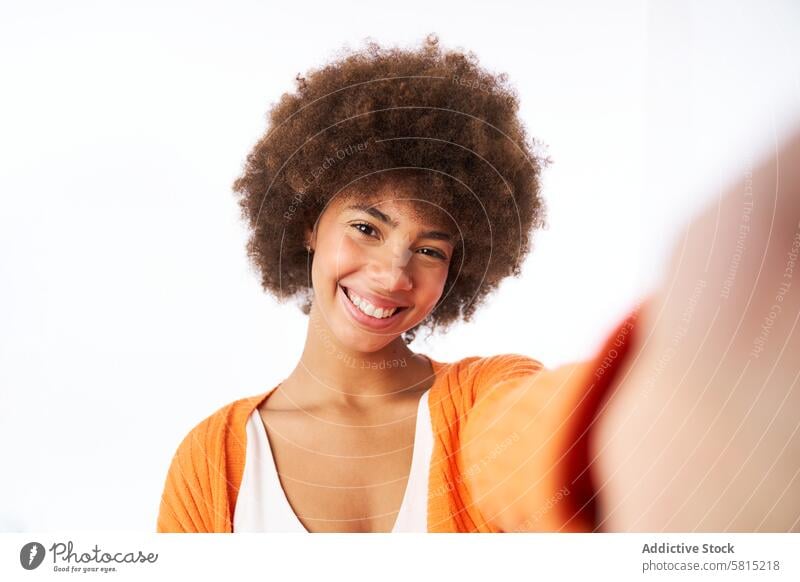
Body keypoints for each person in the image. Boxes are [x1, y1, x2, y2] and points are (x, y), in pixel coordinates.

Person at [157, 34, 800, 533]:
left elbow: (531, 440)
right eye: (367, 227)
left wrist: (674, 411)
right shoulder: (213, 462)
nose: (393, 274)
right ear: (305, 222)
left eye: (430, 248)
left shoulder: (479, 402)